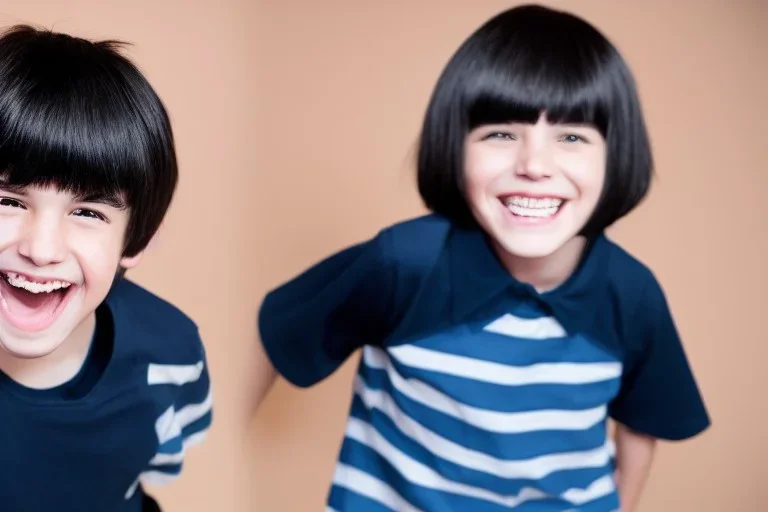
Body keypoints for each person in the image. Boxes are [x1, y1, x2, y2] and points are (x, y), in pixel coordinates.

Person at [256, 4, 710, 511]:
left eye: (572, 137)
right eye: (500, 133)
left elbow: (640, 424)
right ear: (455, 145)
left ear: (615, 155)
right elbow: (272, 337)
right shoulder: (404, 263)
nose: (534, 165)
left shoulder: (631, 294)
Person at [0, 26, 212, 511]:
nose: (42, 248)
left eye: (88, 212)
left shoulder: (171, 352)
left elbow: (158, 464)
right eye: (8, 200)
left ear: (134, 242)